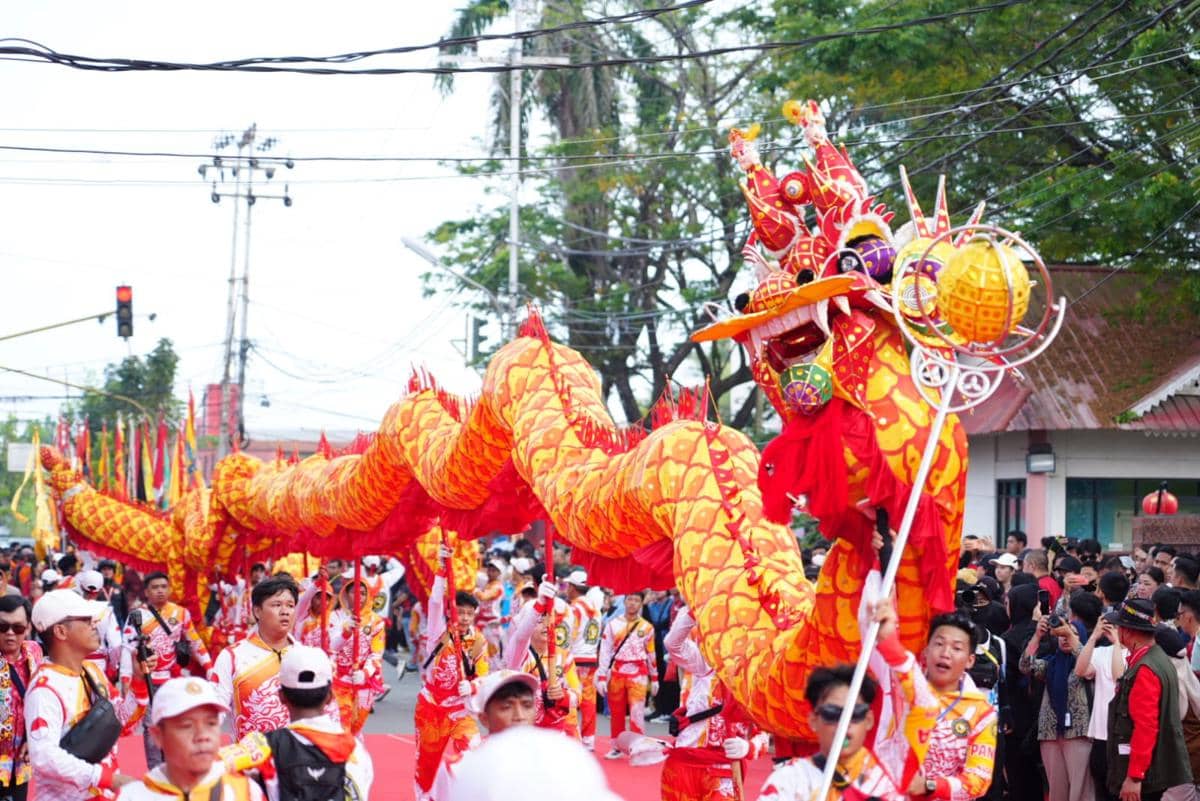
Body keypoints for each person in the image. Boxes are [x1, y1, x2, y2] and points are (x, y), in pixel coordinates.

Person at [25, 589, 151, 800]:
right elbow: (43, 757)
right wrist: (104, 777)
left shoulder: (93, 671)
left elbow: (122, 721)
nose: (95, 625)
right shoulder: (44, 690)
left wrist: (139, 682)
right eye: (86, 620)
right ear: (61, 632)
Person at [870, 599, 997, 799]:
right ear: (926, 650)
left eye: (956, 648)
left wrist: (930, 786)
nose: (945, 653)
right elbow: (900, 663)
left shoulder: (982, 713)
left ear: (970, 660)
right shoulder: (903, 687)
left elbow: (979, 780)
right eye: (939, 644)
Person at [222, 646, 372, 801]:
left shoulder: (261, 745)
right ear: (330, 696)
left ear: (281, 697)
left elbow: (214, 768)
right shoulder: (355, 750)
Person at [662, 606, 767, 801]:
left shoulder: (758, 680)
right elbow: (673, 644)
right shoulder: (706, 665)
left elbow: (765, 735)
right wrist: (695, 606)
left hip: (723, 768)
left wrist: (748, 747)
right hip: (686, 759)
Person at [759, 665, 903, 801]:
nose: (844, 724)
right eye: (832, 714)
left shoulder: (887, 783)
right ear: (814, 720)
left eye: (855, 714)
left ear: (869, 720)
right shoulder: (790, 780)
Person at [413, 548, 489, 801]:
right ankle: (424, 797)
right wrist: (441, 571)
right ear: (453, 612)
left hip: (458, 709)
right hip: (431, 708)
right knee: (427, 765)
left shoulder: (479, 642)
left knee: (473, 750)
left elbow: (483, 676)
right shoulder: (438, 631)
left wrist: (474, 687)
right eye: (462, 612)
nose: (465, 617)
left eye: (470, 613)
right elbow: (435, 602)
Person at [116, 677, 261, 801]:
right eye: (187, 726)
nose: (203, 736)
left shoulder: (246, 792)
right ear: (158, 736)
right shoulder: (132, 797)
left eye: (211, 723)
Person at [1106, 598, 1192, 801]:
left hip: (1143, 776)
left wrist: (1134, 777)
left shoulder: (1145, 668)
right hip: (1150, 771)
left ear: (1128, 631)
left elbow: (1145, 726)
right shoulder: (1158, 658)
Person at [1020, 591, 1101, 801]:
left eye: (1071, 634)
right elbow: (1025, 666)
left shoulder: (1088, 661)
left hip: (1079, 732)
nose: (1065, 638)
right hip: (1050, 733)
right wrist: (1037, 636)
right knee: (1056, 791)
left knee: (1081, 791)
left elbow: (1090, 671)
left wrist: (1071, 636)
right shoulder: (1050, 663)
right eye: (1062, 635)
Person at [211, 574, 299, 740]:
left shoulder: (306, 656)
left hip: (296, 761)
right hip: (249, 761)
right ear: (257, 611)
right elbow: (215, 711)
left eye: (290, 605)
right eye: (277, 604)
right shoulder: (232, 656)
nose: (285, 611)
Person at [596, 590, 657, 758]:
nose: (632, 603)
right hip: (617, 673)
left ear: (641, 603)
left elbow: (651, 654)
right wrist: (601, 676)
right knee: (617, 712)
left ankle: (638, 747)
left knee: (637, 713)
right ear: (624, 601)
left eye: (636, 600)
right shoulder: (613, 625)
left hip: (638, 674)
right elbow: (605, 652)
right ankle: (616, 746)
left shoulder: (647, 627)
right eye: (630, 599)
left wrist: (655, 678)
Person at [1078, 613, 1126, 801]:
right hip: (1099, 736)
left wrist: (1116, 643)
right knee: (1101, 789)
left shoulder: (1134, 653)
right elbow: (1080, 670)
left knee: (1119, 792)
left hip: (1121, 736)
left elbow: (1118, 677)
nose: (1111, 629)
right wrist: (1093, 637)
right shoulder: (1099, 652)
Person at [0, 596, 40, 801]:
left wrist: (32, 738)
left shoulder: (35, 653)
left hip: (21, 762)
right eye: (2, 626)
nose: (9, 633)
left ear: (28, 628)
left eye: (17, 628)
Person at [564, 571, 601, 748]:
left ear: (572, 587)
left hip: (575, 658)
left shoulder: (574, 609)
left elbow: (569, 634)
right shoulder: (595, 608)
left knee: (571, 697)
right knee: (588, 700)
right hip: (591, 657)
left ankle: (572, 736)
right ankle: (589, 738)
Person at [76, 571, 122, 681]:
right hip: (100, 665)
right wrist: (113, 666)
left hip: (76, 664)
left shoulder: (71, 609)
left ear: (82, 587)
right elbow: (116, 644)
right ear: (101, 589)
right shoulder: (107, 611)